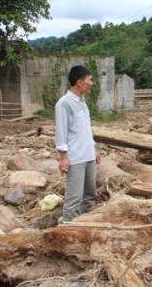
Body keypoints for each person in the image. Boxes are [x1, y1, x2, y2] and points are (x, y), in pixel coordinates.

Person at [55, 65, 101, 222]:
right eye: (90, 80)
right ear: (80, 82)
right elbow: (61, 133)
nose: (92, 83)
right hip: (75, 159)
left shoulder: (82, 102)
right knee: (74, 200)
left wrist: (94, 150)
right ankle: (68, 232)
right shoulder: (64, 104)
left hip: (88, 156)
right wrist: (63, 158)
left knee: (89, 196)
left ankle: (83, 226)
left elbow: (85, 129)